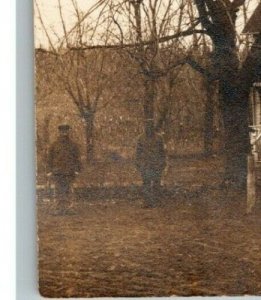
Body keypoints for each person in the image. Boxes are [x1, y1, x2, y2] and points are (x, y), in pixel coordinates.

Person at [47, 124, 81, 212]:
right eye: (62, 131)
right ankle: (58, 208)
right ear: (59, 132)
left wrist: (77, 169)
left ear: (68, 132)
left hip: (70, 171)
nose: (64, 133)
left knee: (69, 190)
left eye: (66, 131)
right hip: (57, 171)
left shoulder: (73, 145)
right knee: (58, 190)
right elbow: (49, 158)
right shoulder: (54, 145)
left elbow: (77, 158)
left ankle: (70, 208)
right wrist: (49, 170)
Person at [135, 120, 166, 207]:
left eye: (150, 126)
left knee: (157, 183)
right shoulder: (140, 138)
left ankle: (157, 201)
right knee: (146, 183)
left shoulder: (159, 138)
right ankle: (147, 202)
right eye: (147, 126)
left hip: (156, 164)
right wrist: (138, 163)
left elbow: (162, 152)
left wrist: (163, 163)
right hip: (145, 165)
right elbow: (138, 152)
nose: (148, 128)